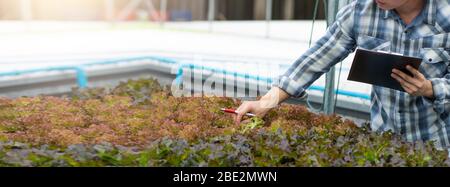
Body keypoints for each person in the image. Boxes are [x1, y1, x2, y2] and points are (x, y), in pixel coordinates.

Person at [234, 0, 450, 151]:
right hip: (386, 143)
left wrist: (431, 89)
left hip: (440, 143)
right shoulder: (360, 12)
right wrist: (267, 101)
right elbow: (318, 57)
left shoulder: (445, 16)